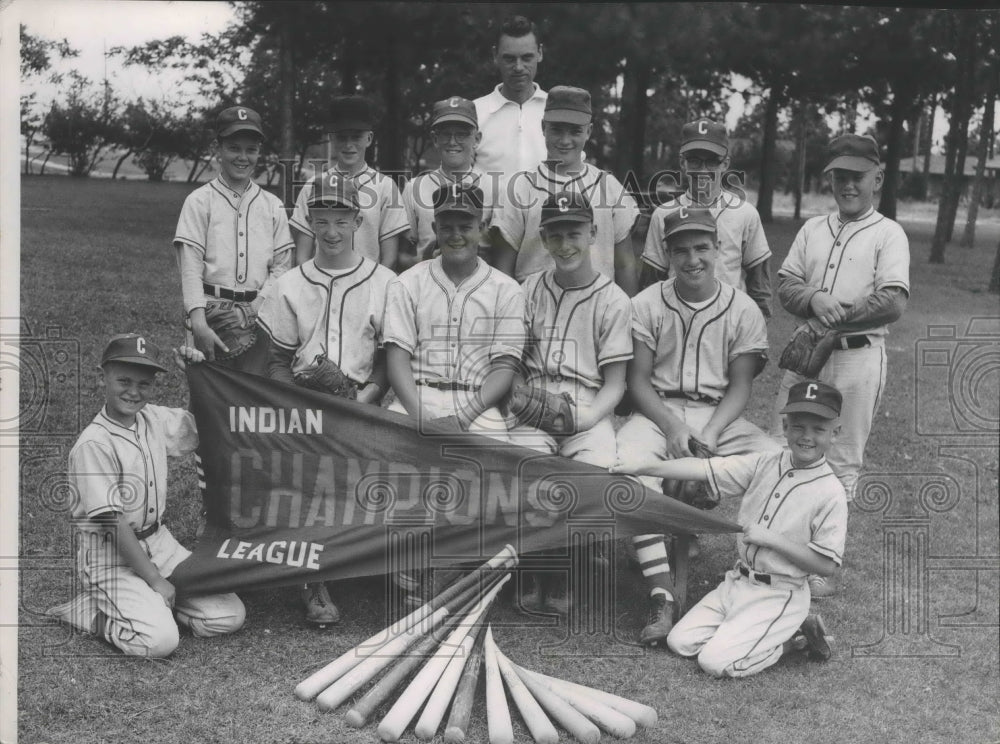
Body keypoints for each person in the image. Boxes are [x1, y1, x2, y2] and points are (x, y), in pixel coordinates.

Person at [614, 207, 778, 647]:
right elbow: (637, 381)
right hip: (657, 410)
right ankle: (662, 591)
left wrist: (710, 434)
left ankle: (766, 581)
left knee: (778, 463)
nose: (692, 259)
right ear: (667, 252)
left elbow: (741, 386)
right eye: (681, 249)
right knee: (624, 465)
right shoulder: (646, 303)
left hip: (719, 413)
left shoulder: (742, 308)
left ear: (718, 248)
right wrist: (670, 427)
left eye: (701, 247)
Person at [612, 380, 847, 678]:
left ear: (835, 433)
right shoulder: (765, 461)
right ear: (785, 426)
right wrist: (643, 468)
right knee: (679, 642)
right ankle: (774, 631)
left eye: (819, 429)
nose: (807, 437)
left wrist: (773, 540)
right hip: (737, 583)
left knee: (714, 662)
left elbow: (825, 565)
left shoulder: (831, 492)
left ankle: (793, 640)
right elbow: (704, 469)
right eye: (799, 426)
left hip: (781, 592)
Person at [770, 133, 909, 599]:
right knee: (785, 444)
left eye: (857, 176)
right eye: (840, 176)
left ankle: (820, 562)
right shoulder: (813, 228)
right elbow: (787, 284)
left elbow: (893, 302)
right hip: (809, 351)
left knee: (843, 458)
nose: (848, 184)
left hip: (858, 354)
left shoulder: (888, 233)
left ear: (878, 177)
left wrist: (836, 310)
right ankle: (776, 547)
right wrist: (814, 297)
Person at [46, 335, 245, 658]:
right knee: (159, 642)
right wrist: (155, 581)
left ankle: (151, 608)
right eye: (123, 381)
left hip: (160, 543)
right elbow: (111, 523)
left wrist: (198, 378)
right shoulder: (94, 444)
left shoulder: (150, 417)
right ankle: (88, 612)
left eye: (144, 384)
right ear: (103, 378)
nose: (134, 392)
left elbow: (197, 427)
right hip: (110, 555)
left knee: (229, 614)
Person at [257, 175, 395, 627]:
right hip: (306, 400)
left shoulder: (386, 282)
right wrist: (293, 402)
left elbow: (391, 359)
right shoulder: (290, 284)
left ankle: (378, 564)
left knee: (391, 464)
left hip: (363, 398)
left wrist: (366, 399)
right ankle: (312, 578)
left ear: (358, 220)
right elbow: (277, 357)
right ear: (309, 222)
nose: (331, 231)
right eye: (321, 220)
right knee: (307, 472)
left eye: (341, 220)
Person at [511, 190, 633, 613]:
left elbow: (616, 385)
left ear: (594, 233)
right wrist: (522, 399)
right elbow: (509, 363)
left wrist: (586, 419)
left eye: (574, 233)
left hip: (589, 401)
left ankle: (566, 562)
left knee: (594, 471)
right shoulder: (527, 290)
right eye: (556, 234)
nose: (565, 244)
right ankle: (533, 562)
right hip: (535, 396)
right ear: (543, 238)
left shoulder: (614, 300)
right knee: (525, 465)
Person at [384, 184, 525, 439]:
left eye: (465, 227)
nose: (455, 235)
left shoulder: (507, 290)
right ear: (435, 229)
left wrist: (463, 418)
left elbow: (504, 367)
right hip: (417, 396)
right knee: (387, 448)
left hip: (478, 402)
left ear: (481, 229)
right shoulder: (407, 283)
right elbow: (397, 359)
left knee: (497, 457)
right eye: (447, 227)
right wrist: (419, 416)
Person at [173, 106, 293, 373]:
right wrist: (199, 322)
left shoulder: (272, 205)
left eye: (251, 149)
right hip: (209, 311)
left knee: (250, 399)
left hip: (260, 314)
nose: (243, 157)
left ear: (259, 152)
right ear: (219, 148)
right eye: (234, 148)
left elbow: (282, 267)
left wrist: (253, 310)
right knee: (208, 401)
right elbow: (190, 267)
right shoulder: (199, 201)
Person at [493, 86, 640, 296]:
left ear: (588, 131)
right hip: (534, 309)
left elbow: (625, 264)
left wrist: (630, 319)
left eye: (575, 131)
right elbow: (503, 268)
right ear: (543, 127)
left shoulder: (609, 187)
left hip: (597, 311)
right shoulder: (519, 188)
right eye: (557, 129)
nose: (564, 140)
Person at [641, 118, 772, 319]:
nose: (702, 170)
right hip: (676, 321)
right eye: (694, 160)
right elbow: (650, 283)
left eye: (712, 161)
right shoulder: (663, 214)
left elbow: (760, 286)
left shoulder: (745, 213)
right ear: (683, 163)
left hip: (730, 321)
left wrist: (757, 331)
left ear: (725, 164)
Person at [290, 95, 409, 270]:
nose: (348, 144)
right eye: (342, 137)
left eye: (356, 137)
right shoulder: (313, 185)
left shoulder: (385, 186)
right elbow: (302, 256)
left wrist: (374, 288)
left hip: (369, 286)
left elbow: (389, 259)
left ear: (369, 139)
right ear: (332, 138)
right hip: (320, 285)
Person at [400, 96, 501, 268]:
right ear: (434, 139)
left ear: (476, 139)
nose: (452, 142)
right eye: (446, 134)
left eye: (462, 134)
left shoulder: (495, 187)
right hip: (428, 282)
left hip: (480, 284)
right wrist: (426, 259)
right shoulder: (414, 187)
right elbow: (402, 255)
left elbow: (501, 254)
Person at [473, 15, 547, 180]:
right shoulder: (474, 112)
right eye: (509, 58)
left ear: (540, 53)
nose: (518, 67)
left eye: (527, 57)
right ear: (495, 55)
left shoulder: (558, 110)